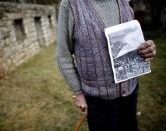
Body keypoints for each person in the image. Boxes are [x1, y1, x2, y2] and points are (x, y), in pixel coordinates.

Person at [56, 0, 156, 131]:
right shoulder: (70, 5)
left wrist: (147, 49)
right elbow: (63, 55)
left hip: (131, 92)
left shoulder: (125, 2)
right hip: (98, 101)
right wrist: (79, 93)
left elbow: (133, 43)